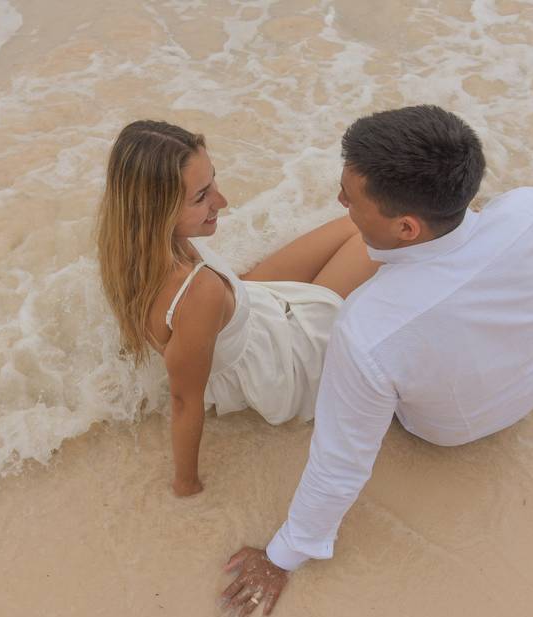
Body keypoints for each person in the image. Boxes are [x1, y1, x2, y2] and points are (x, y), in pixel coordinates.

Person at [221, 105, 533, 617]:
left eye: (350, 195)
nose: (339, 198)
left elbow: (341, 461)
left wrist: (281, 557)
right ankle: (252, 292)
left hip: (452, 429)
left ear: (408, 227)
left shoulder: (368, 328)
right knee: (357, 237)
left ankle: (239, 295)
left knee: (339, 256)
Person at [96, 120, 380, 497]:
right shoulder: (198, 292)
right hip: (281, 357)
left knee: (354, 223)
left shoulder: (125, 242)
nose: (221, 201)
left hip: (245, 305)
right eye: (201, 197)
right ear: (156, 211)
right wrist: (186, 484)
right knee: (371, 234)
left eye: (212, 181)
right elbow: (184, 401)